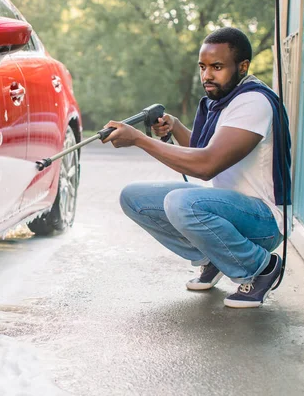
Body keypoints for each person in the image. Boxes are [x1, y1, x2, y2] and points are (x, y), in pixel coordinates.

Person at [102, 27, 291, 308]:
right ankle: (216, 257)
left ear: (243, 67)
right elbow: (205, 149)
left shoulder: (253, 102)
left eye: (217, 67)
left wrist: (140, 140)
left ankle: (261, 268)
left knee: (183, 203)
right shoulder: (224, 101)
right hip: (232, 210)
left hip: (263, 219)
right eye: (203, 67)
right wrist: (176, 126)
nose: (207, 76)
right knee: (134, 196)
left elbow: (206, 166)